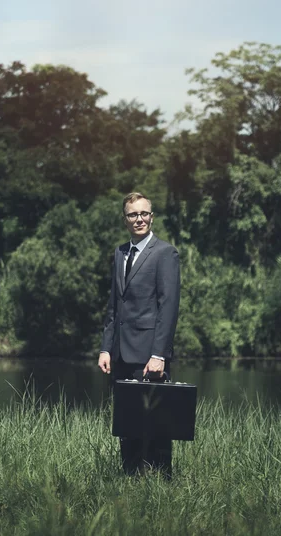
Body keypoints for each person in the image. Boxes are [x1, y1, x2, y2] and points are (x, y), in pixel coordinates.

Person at [98, 192, 180, 477]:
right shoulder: (120, 253)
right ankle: (129, 481)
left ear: (152, 216)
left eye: (144, 213)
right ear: (125, 220)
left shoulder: (164, 252)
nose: (139, 219)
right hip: (120, 353)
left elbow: (168, 307)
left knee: (156, 425)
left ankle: (160, 485)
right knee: (127, 423)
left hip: (149, 355)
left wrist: (159, 355)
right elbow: (114, 305)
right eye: (133, 215)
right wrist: (106, 348)